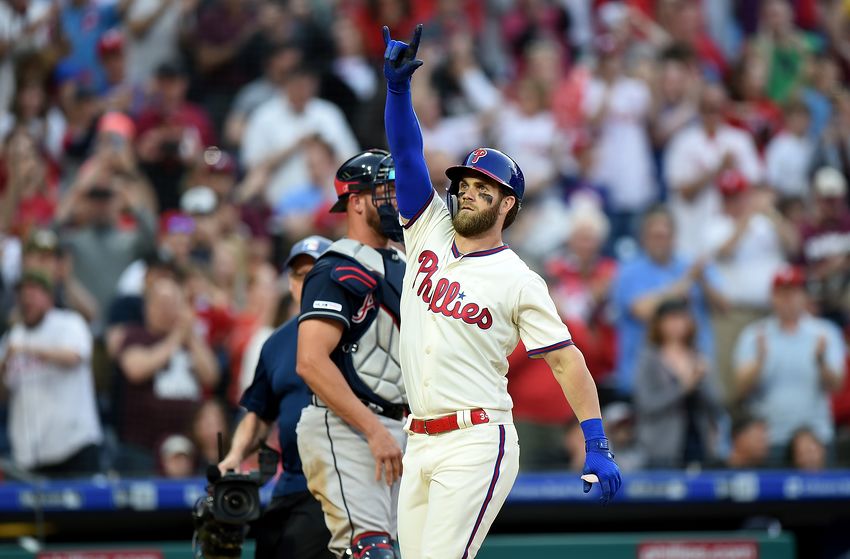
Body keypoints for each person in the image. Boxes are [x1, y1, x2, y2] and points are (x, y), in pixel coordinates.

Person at [382, 25, 620, 559]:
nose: (466, 196)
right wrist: (398, 94)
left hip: (475, 440)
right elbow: (406, 150)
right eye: (463, 186)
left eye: (481, 189)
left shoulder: (519, 278)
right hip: (417, 439)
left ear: (507, 204)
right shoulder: (428, 228)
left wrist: (596, 440)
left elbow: (566, 362)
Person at [295, 150, 407, 559]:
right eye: (386, 191)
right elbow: (310, 361)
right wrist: (373, 430)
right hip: (349, 426)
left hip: (400, 427)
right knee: (371, 551)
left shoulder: (403, 261)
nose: (396, 199)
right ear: (356, 201)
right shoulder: (334, 267)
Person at [218, 234, 333, 559]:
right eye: (299, 274)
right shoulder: (276, 343)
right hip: (293, 482)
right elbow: (258, 414)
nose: (307, 281)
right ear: (291, 285)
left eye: (316, 272)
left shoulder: (359, 332)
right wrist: (235, 455)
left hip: (340, 484)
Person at [733, 266, 846, 466]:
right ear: (773, 297)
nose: (788, 300)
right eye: (782, 293)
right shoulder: (754, 334)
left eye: (793, 293)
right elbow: (740, 389)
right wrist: (760, 360)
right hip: (771, 437)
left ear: (804, 296)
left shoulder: (825, 332)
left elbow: (837, 385)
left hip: (816, 437)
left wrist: (820, 361)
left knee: (825, 496)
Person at [0, 271, 103, 476]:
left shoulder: (69, 323)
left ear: (49, 297)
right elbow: (3, 396)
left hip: (75, 446)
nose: (27, 298)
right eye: (23, 293)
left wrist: (29, 349)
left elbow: (75, 356)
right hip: (30, 454)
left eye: (34, 292)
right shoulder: (12, 338)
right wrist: (5, 363)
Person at [633, 298, 725, 469]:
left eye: (681, 318)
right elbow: (645, 404)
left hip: (699, 442)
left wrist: (701, 381)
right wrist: (682, 388)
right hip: (662, 447)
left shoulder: (698, 356)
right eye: (670, 319)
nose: (676, 324)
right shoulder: (649, 358)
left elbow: (717, 404)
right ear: (658, 324)